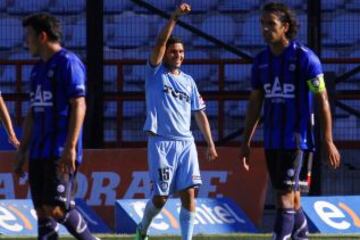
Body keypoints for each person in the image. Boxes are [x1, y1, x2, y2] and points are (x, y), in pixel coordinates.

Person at [239, 2, 341, 240]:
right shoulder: (260, 61)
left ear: (285, 27)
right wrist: (246, 141)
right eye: (262, 24)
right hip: (272, 139)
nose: (265, 29)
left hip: (298, 139)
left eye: (270, 24)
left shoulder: (306, 58)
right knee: (290, 196)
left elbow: (322, 99)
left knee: (285, 195)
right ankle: (301, 236)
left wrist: (328, 140)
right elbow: (255, 103)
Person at [136, 3, 218, 240]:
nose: (178, 55)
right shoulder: (155, 73)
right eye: (174, 52)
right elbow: (161, 42)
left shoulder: (189, 81)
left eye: (181, 52)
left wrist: (210, 143)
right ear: (165, 54)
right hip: (161, 142)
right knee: (161, 198)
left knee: (189, 194)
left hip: (186, 143)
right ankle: (142, 229)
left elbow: (199, 113)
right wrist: (174, 18)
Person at [14, 13, 99, 240]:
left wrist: (70, 147)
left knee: (57, 209)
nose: (26, 41)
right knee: (43, 212)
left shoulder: (68, 63)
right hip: (39, 151)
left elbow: (79, 104)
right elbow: (33, 112)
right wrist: (23, 150)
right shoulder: (37, 70)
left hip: (59, 150)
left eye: (29, 36)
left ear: (42, 36)